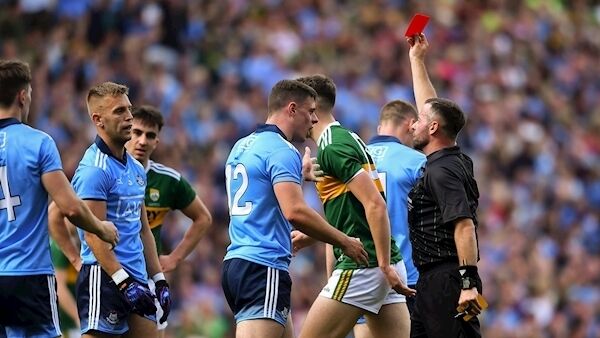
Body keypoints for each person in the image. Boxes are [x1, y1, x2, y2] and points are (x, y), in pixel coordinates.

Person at [222, 79, 368, 338]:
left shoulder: (241, 145)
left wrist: (297, 177)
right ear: (291, 108)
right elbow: (295, 212)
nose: (314, 119)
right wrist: (344, 241)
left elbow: (261, 193)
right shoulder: (282, 150)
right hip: (262, 265)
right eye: (310, 111)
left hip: (238, 261)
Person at [0, 60, 118, 338]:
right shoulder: (38, 142)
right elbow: (69, 207)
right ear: (23, 96)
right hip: (29, 275)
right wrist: (102, 228)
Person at [293, 74, 415, 338]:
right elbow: (350, 211)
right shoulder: (345, 138)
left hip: (365, 265)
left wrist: (381, 264)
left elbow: (375, 204)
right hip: (387, 261)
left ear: (312, 107)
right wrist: (314, 233)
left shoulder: (332, 147)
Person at [54, 81, 171, 337]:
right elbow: (93, 235)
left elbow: (143, 231)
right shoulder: (95, 169)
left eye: (128, 109)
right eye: (119, 111)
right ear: (98, 120)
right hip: (105, 278)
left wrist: (159, 279)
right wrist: (121, 280)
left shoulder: (136, 168)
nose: (129, 117)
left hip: (137, 278)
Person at [406, 34, 483, 338]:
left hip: (448, 280)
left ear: (434, 128)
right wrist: (417, 60)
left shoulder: (443, 172)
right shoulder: (449, 157)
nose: (412, 124)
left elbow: (463, 226)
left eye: (419, 120)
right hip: (430, 281)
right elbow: (430, 106)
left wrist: (468, 284)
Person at [125, 104, 212, 335]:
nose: (142, 141)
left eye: (150, 135)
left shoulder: (168, 181)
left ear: (157, 142)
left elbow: (203, 218)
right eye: (136, 132)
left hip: (147, 277)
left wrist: (175, 258)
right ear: (126, 132)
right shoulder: (103, 171)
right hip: (112, 275)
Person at [354, 100, 427, 338]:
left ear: (379, 128)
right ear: (410, 125)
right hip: (404, 274)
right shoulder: (416, 161)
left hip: (360, 270)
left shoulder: (352, 159)